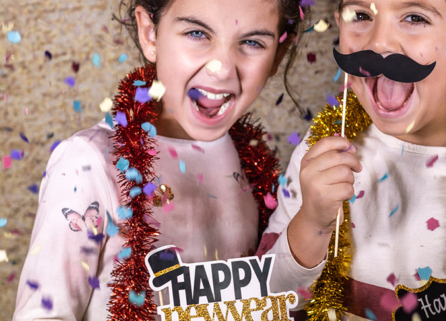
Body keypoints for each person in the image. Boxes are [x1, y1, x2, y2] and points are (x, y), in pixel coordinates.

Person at [258, 0, 446, 319]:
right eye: (361, 16)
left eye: (414, 18)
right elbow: (264, 300)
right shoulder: (322, 151)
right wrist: (311, 224)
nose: (378, 42)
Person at [14, 0, 304, 319]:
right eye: (197, 33)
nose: (221, 68)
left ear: (278, 53)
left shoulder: (254, 165)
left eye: (251, 42)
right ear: (150, 33)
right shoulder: (88, 162)